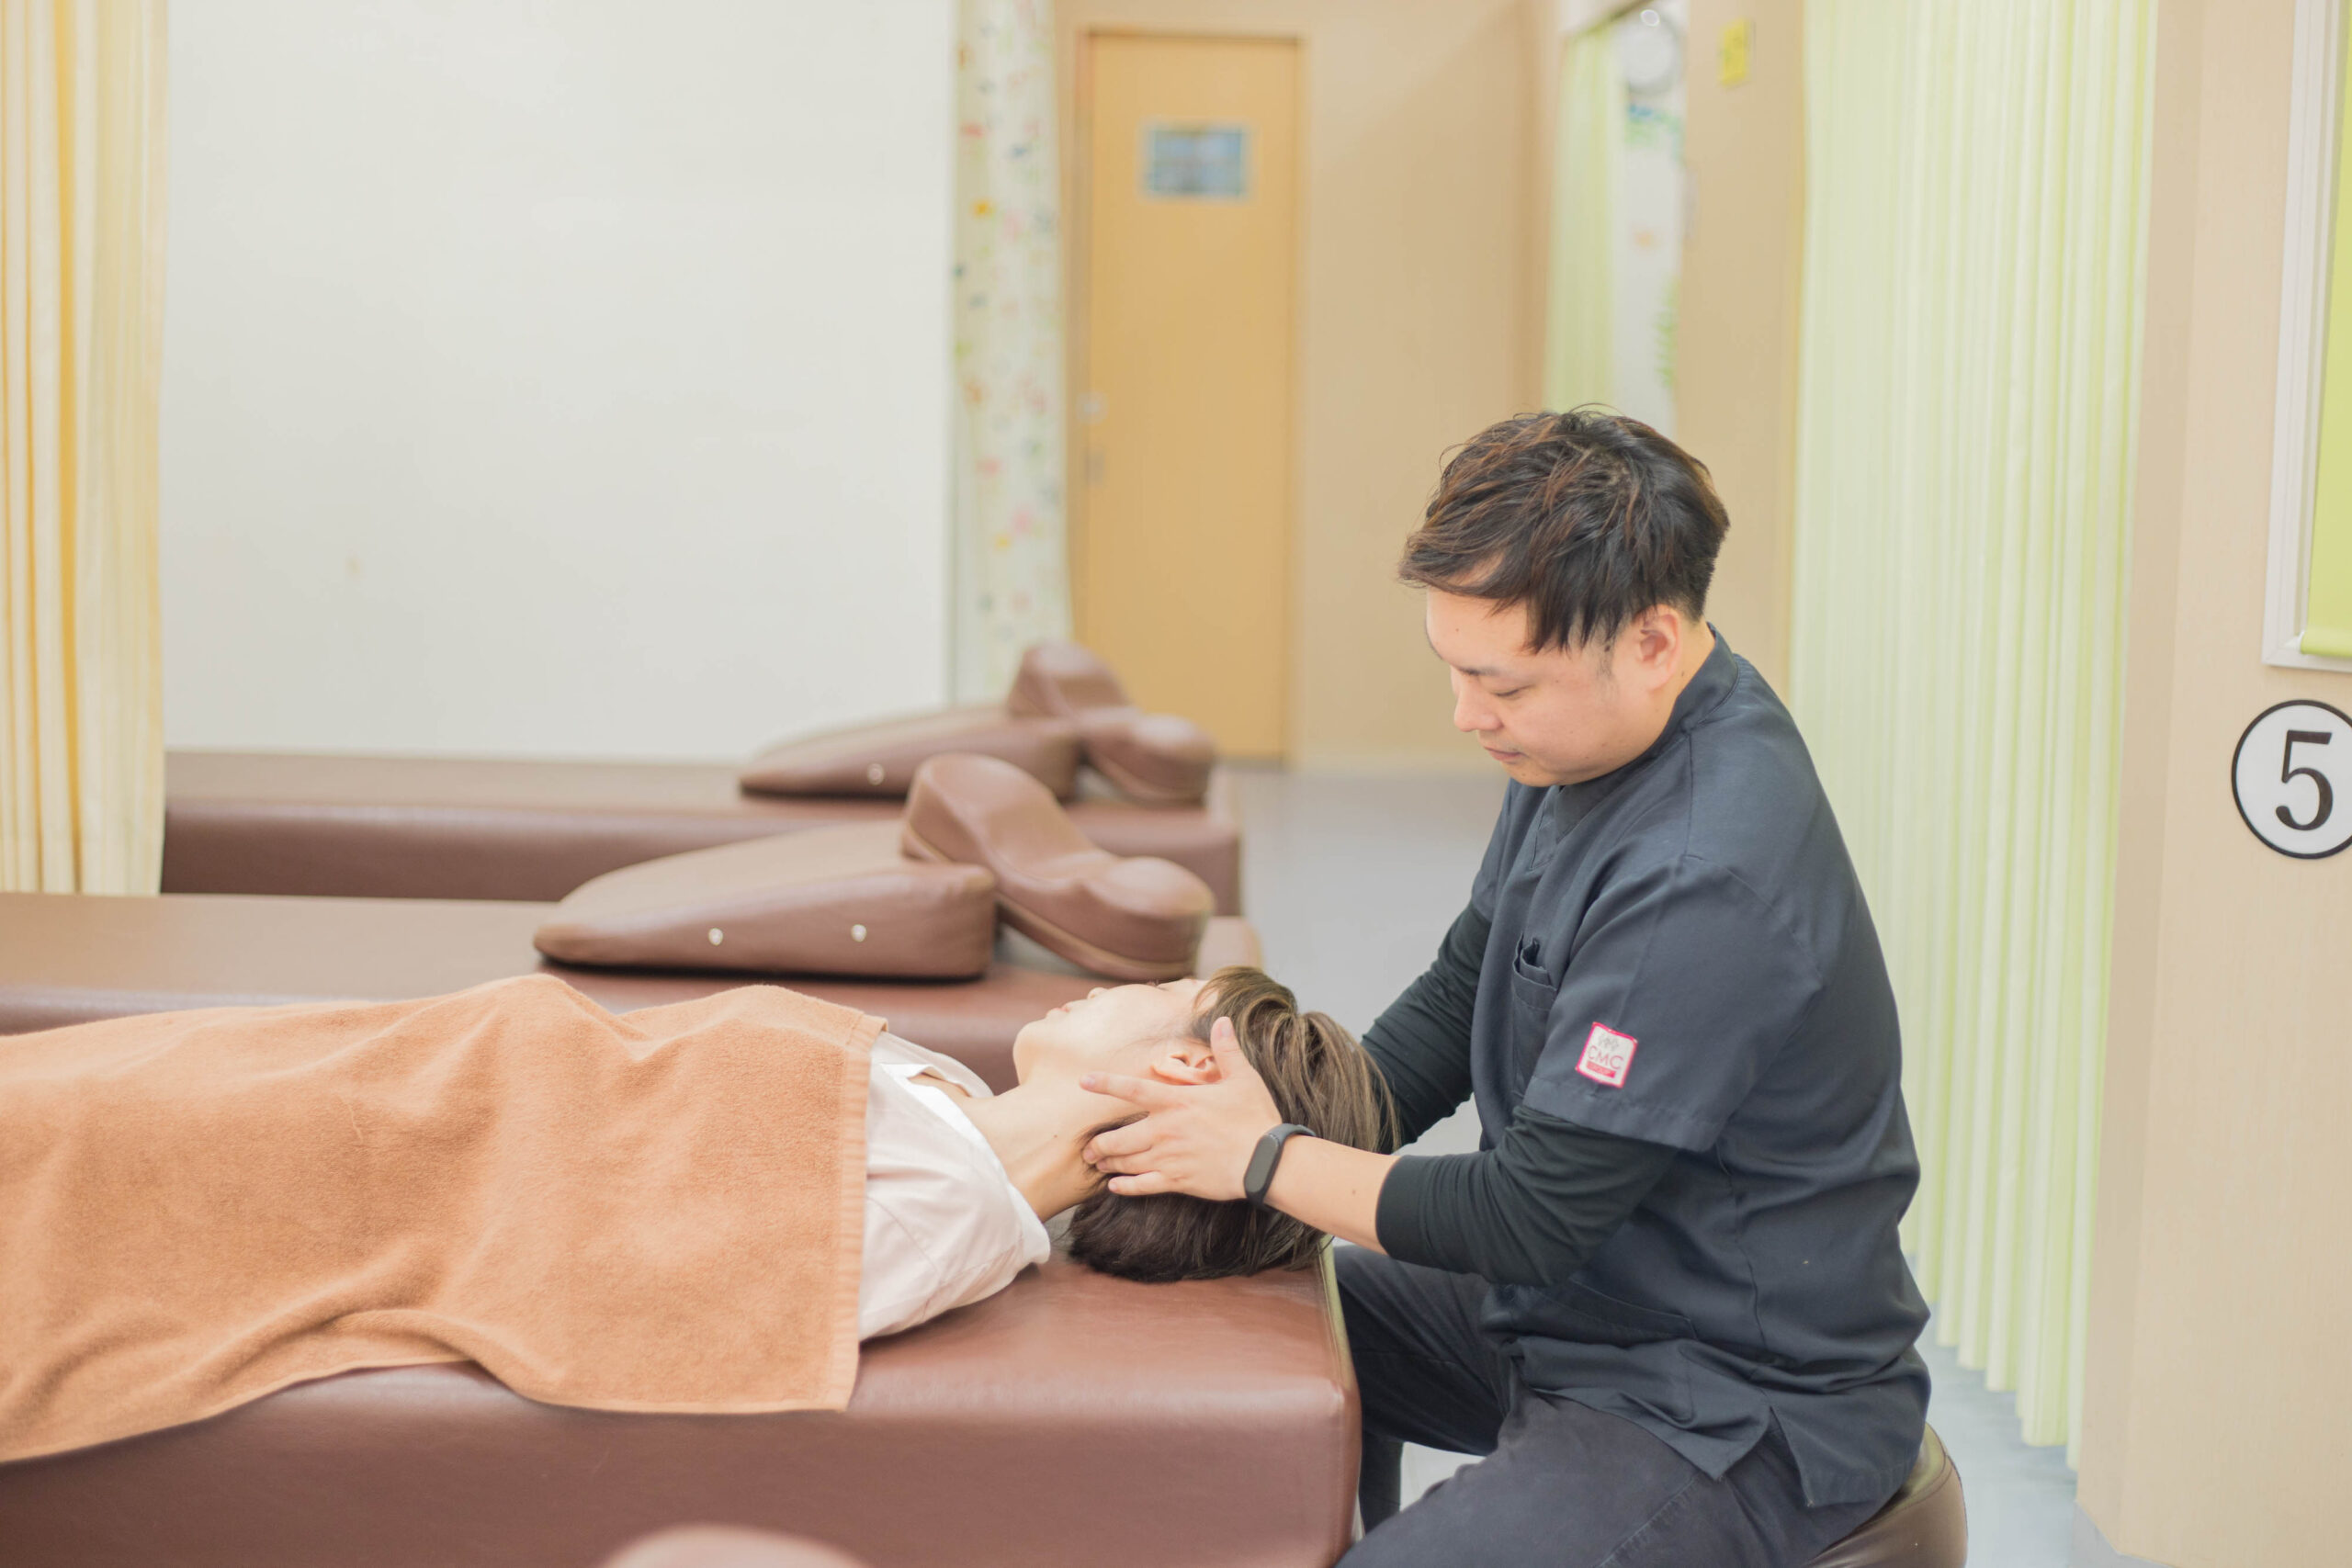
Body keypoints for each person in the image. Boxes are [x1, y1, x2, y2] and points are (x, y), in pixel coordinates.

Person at [1081, 410, 1931, 1568]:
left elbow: (1531, 1216)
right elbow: (1460, 985)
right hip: (1581, 1311)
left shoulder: (1704, 871)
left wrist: (1265, 1158)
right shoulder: (1578, 744)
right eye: (1455, 672)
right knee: (1240, 1312)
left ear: (1652, 642)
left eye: (1504, 686)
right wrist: (1275, 1115)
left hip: (1722, 1401)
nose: (1467, 715)